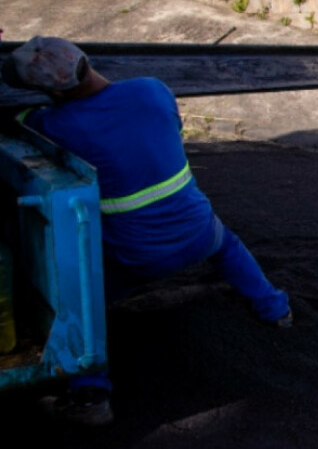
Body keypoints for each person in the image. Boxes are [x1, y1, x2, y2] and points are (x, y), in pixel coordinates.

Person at [1, 36, 292, 426]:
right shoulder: (153, 90)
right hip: (198, 230)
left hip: (133, 257)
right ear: (85, 59)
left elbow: (19, 125)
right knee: (229, 247)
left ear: (52, 91)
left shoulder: (53, 124)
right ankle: (276, 309)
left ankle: (91, 394)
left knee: (84, 298)